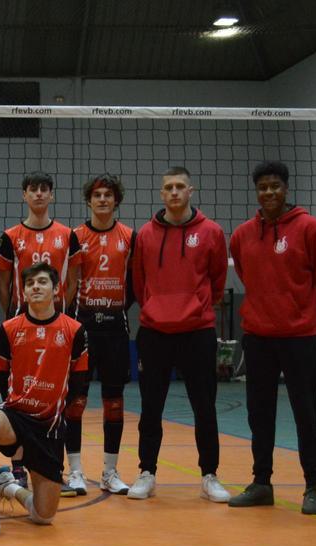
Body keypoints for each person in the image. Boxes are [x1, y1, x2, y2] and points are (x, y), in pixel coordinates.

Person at [228, 161, 316, 515]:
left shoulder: (312, 229)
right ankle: (262, 483)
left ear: (286, 188)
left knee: (306, 412)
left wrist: (299, 314)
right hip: (258, 337)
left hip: (300, 336)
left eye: (275, 186)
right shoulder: (243, 235)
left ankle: (313, 486)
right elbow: (246, 275)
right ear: (256, 191)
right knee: (259, 414)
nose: (269, 192)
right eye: (263, 187)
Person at [127, 166, 231, 502]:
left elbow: (217, 281)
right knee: (150, 407)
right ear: (161, 194)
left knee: (205, 407)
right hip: (155, 331)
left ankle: (209, 475)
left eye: (180, 187)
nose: (174, 192)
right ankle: (147, 472)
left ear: (191, 191)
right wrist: (158, 306)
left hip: (197, 331)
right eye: (168, 187)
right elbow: (140, 282)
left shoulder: (212, 232)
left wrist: (195, 307)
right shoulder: (145, 234)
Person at [0, 264, 89, 541]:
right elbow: (1, 377)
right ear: (23, 291)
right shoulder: (9, 329)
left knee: (43, 516)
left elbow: (79, 384)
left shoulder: (74, 330)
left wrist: (54, 414)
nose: (35, 286)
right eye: (30, 283)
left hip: (48, 426)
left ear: (56, 289)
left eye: (42, 282)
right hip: (15, 416)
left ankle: (8, 486)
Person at [60, 175, 135, 497]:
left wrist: (116, 306)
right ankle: (75, 471)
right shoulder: (75, 236)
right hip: (83, 325)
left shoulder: (130, 236)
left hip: (115, 326)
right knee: (75, 401)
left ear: (115, 201)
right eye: (96, 195)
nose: (102, 199)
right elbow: (70, 282)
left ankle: (109, 471)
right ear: (88, 201)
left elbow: (135, 281)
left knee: (114, 402)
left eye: (107, 195)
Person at [0, 171, 80, 318]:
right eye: (33, 189)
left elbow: (73, 283)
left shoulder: (68, 235)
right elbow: (2, 287)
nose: (39, 194)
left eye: (44, 189)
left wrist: (59, 308)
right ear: (24, 195)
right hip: (21, 315)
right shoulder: (10, 236)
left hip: (58, 315)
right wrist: (14, 314)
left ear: (51, 195)